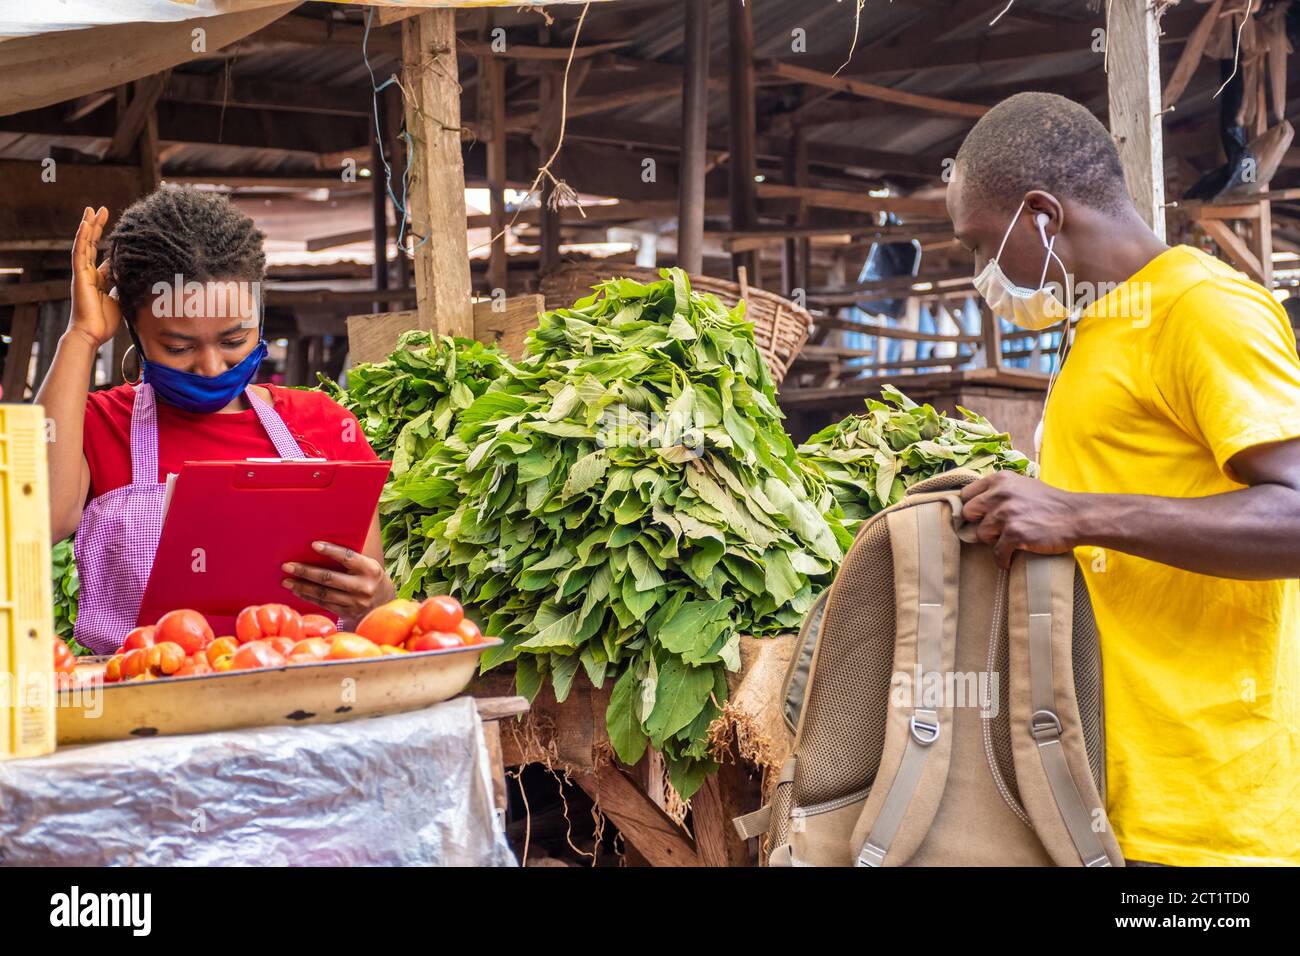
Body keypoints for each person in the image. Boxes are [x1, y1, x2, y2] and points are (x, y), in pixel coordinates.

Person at [948, 92, 1300, 867]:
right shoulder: (1099, 329)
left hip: (1207, 816)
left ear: (1041, 216)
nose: (983, 272)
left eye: (981, 243)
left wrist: (1077, 514)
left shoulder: (1204, 310)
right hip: (1110, 791)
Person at [38, 189, 395, 655]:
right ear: (133, 328)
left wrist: (380, 597)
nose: (211, 366)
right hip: (143, 701)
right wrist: (81, 335)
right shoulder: (99, 424)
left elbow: (367, 606)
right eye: (180, 347)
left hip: (305, 703)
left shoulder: (324, 425)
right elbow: (42, 520)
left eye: (234, 339)